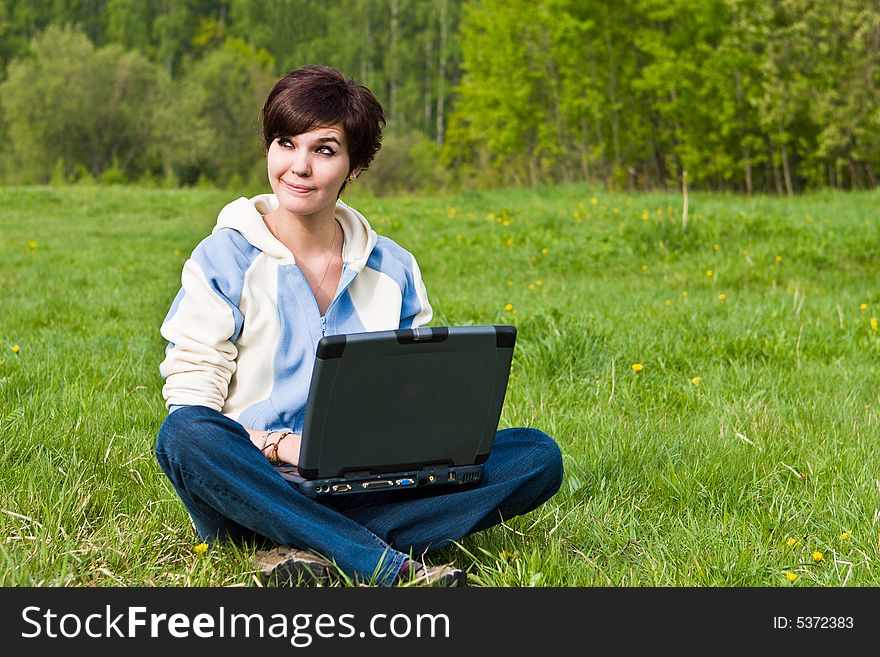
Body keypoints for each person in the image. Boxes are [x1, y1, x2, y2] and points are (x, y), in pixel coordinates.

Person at [154, 65, 563, 587]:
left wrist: (408, 448)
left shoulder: (393, 269)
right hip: (251, 481)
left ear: (354, 168)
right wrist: (280, 446)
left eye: (323, 150)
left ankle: (305, 548)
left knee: (535, 455)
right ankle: (384, 565)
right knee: (185, 436)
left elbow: (413, 398)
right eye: (285, 143)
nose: (298, 167)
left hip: (366, 483)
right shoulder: (223, 259)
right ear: (268, 149)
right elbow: (193, 404)